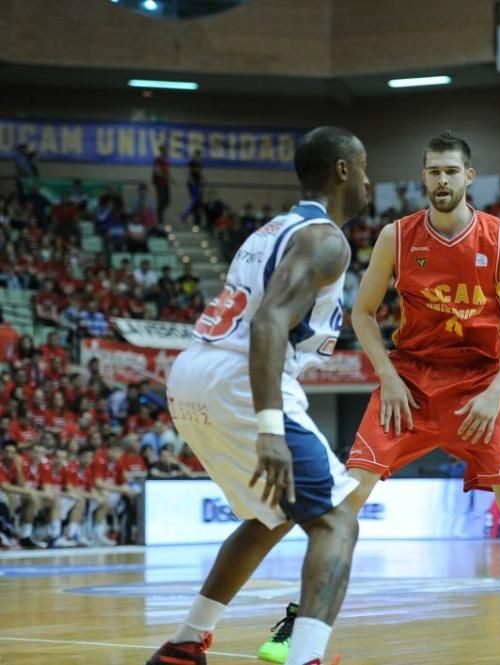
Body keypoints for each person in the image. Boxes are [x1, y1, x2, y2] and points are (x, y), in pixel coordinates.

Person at [339, 132, 500, 665]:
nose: (441, 180)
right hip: (411, 385)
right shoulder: (395, 238)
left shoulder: (498, 238)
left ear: (469, 177)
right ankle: (300, 615)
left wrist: (497, 391)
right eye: (433, 171)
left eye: (451, 171)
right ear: (423, 178)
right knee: (347, 498)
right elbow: (362, 314)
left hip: (479, 386)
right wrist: (388, 376)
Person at [146, 126, 370, 665]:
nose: (368, 180)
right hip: (237, 376)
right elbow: (269, 321)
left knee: (274, 514)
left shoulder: (273, 229)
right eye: (364, 168)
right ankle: (306, 658)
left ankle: (185, 643)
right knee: (337, 519)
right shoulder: (325, 239)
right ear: (342, 171)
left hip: (196, 373)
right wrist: (270, 426)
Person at [152, 144, 171, 226]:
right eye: (165, 150)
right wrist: (165, 176)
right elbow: (157, 171)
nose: (167, 152)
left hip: (166, 183)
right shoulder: (157, 160)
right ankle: (160, 220)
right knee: (161, 201)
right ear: (162, 151)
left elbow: (167, 171)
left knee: (167, 201)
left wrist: (168, 178)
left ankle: (159, 213)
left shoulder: (166, 160)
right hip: (160, 183)